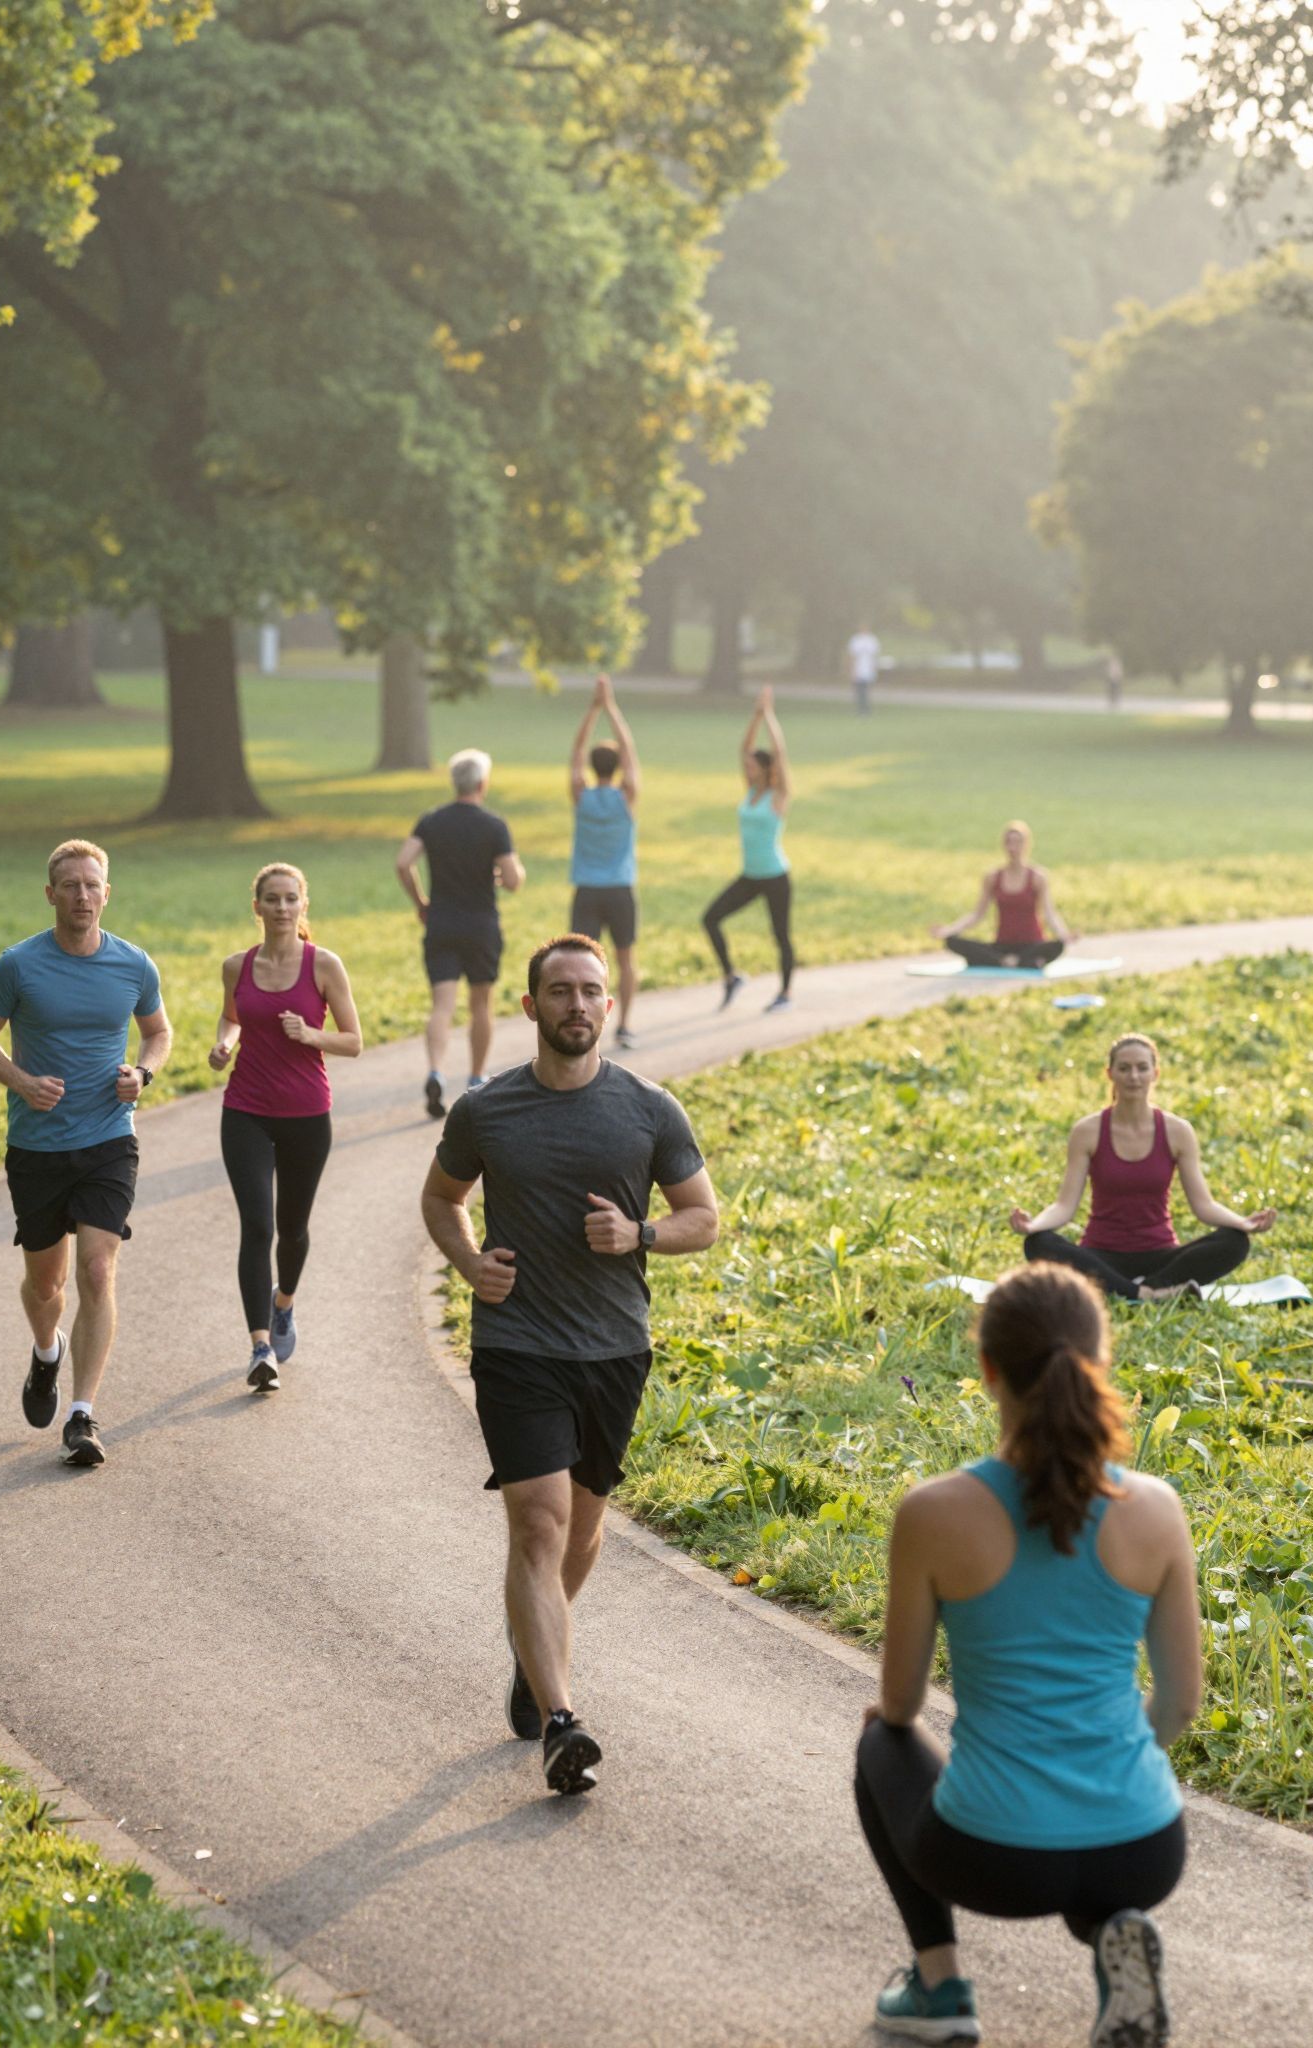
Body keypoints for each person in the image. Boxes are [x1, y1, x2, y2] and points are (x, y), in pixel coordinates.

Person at [855, 1260, 1199, 2047]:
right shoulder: (1156, 1510)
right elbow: (1179, 1702)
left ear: (986, 1371)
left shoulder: (934, 1513)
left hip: (993, 1859)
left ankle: (940, 1993)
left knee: (880, 1740)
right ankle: (1117, 1933)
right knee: (1090, 1848)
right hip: (1144, 1847)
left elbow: (901, 1706)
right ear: (1099, 1362)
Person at [420, 935, 719, 1795]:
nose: (577, 1006)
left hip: (616, 1347)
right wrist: (471, 1265)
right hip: (517, 1346)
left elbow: (704, 1216)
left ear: (609, 1007)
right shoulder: (486, 1111)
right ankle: (562, 1721)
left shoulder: (649, 1109)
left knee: (584, 1532)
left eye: (591, 991)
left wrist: (642, 1235)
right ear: (530, 1006)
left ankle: (532, 1649)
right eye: (560, 992)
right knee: (541, 1524)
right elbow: (441, 1201)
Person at [0, 840, 172, 1468]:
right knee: (46, 1282)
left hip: (110, 1137)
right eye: (70, 886)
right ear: (50, 893)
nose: (83, 896)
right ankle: (47, 1351)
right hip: (37, 1147)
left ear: (107, 893)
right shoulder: (18, 966)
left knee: (98, 1271)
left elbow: (159, 1032)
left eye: (93, 885)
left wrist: (144, 1071)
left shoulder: (134, 964)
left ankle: (82, 1415)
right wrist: (22, 1083)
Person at [209, 863, 362, 1392]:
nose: (280, 908)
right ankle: (259, 1346)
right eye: (270, 899)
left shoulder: (324, 965)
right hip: (246, 1109)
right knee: (258, 1227)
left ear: (303, 906)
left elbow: (354, 1040)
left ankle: (284, 1304)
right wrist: (225, 1043)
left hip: (306, 1114)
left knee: (292, 1228)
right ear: (257, 907)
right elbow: (232, 1015)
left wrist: (310, 1036)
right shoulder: (236, 966)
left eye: (289, 899)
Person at [1011, 1031, 1276, 1303]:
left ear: (1155, 1073)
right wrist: (1034, 1226)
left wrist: (1242, 1223)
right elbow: (1064, 1206)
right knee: (1038, 1243)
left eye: (1142, 1068)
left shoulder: (1178, 1131)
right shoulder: (1087, 1131)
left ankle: (1140, 1288)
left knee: (1235, 1241)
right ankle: (1145, 1293)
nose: (1133, 1076)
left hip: (1160, 1256)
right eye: (1124, 1068)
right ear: (1110, 1073)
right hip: (1101, 1255)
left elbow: (1204, 1206)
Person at [395, 749, 524, 1120]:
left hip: (442, 924)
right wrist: (506, 874)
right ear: (483, 784)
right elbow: (513, 880)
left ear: (455, 783)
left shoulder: (431, 821)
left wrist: (421, 901)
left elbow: (403, 862)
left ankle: (436, 1070)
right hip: (482, 926)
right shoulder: (494, 826)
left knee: (442, 1005)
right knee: (480, 1004)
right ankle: (476, 1079)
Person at [701, 685, 795, 1012]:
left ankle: (785, 994)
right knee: (710, 919)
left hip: (775, 876)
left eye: (754, 765)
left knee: (780, 935)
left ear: (767, 769)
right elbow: (745, 747)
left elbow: (780, 754)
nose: (748, 767)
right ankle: (731, 976)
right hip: (750, 876)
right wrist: (755, 715)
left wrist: (769, 715)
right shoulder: (751, 791)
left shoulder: (778, 795)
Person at [568, 672, 641, 1050]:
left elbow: (576, 750)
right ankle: (624, 1025)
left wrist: (593, 708)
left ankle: (584, 1027)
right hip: (620, 889)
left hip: (587, 890)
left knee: (581, 966)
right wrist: (611, 706)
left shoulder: (581, 797)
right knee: (625, 959)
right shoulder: (626, 797)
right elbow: (629, 750)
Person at [931, 820, 1076, 970]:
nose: (1013, 848)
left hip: (1032, 945)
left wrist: (1064, 934)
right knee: (952, 941)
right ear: (1003, 845)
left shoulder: (1038, 877)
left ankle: (1006, 961)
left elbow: (1049, 913)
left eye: (1017, 843)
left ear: (1027, 844)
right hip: (1002, 946)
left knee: (1057, 946)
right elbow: (976, 915)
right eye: (1009, 842)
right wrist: (948, 930)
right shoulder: (992, 877)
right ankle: (1017, 962)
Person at [846, 623, 881, 716]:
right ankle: (860, 709)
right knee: (859, 691)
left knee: (867, 690)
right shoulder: (856, 640)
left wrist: (874, 669)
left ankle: (866, 710)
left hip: (868, 669)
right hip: (858, 669)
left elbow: (874, 656)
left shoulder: (872, 640)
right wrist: (851, 670)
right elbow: (852, 656)